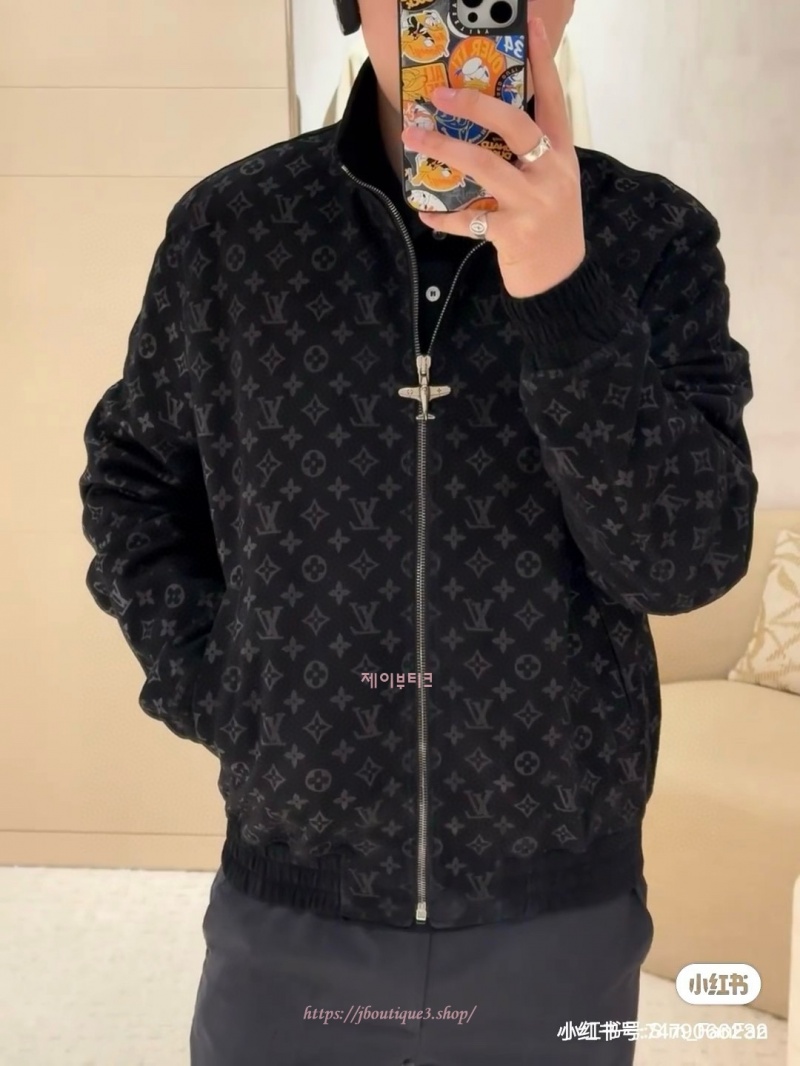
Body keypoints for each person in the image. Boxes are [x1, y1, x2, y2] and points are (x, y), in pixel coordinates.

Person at [78, 0, 758, 1063]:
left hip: (556, 906)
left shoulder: (652, 238)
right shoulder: (231, 232)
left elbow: (682, 565)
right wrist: (226, 690)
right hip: (294, 895)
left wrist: (563, 294)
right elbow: (134, 484)